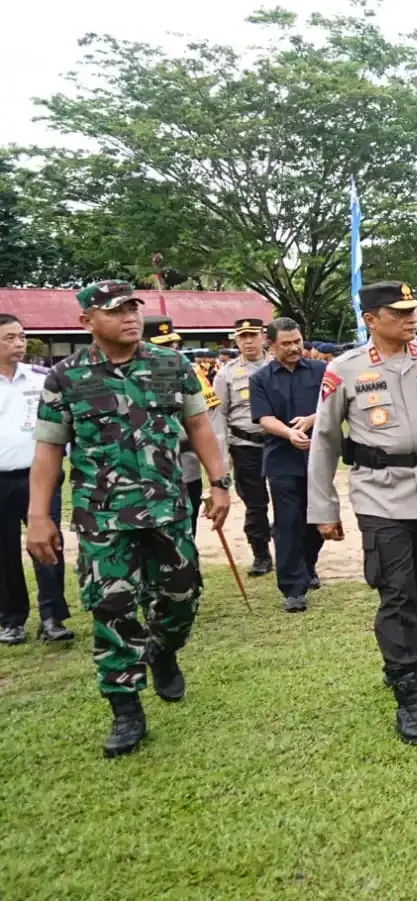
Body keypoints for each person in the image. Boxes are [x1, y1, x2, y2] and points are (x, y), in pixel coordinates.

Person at [26, 280, 232, 757]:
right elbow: (49, 449)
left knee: (181, 597)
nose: (130, 317)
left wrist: (220, 482)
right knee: (112, 607)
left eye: (133, 308)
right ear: (87, 322)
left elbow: (198, 425)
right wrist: (38, 515)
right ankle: (125, 707)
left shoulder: (171, 364)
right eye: (116, 310)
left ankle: (163, 649)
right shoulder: (65, 378)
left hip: (167, 509)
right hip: (104, 518)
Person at [307, 281, 417, 745]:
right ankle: (409, 693)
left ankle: (404, 655)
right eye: (399, 312)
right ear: (371, 320)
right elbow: (325, 440)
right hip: (379, 494)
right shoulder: (344, 370)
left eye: (413, 311)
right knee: (397, 591)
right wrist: (323, 508)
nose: (411, 319)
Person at [0, 314, 71, 645]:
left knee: (49, 543)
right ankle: (11, 619)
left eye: (22, 336)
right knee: (4, 551)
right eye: (9, 338)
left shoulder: (42, 379)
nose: (19, 343)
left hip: (39, 477)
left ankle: (53, 617)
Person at [250, 318, 328, 613]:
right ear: (271, 345)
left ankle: (307, 566)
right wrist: (289, 433)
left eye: (297, 341)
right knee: (287, 522)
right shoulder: (260, 379)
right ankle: (293, 588)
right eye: (287, 344)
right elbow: (264, 418)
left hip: (318, 457)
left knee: (316, 520)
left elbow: (333, 404)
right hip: (281, 458)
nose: (294, 348)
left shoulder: (321, 370)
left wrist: (313, 419)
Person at [144, 317, 221, 536]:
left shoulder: (188, 372)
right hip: (148, 469)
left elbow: (207, 418)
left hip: (186, 461)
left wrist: (217, 475)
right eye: (163, 345)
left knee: (187, 521)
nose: (171, 350)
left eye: (173, 344)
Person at [211, 317, 274, 576]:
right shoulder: (226, 374)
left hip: (279, 444)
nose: (248, 341)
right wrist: (222, 457)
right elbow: (218, 416)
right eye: (242, 337)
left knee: (289, 500)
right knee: (255, 504)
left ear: (263, 337)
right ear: (236, 340)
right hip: (245, 446)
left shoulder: (277, 365)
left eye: (253, 335)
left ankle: (293, 550)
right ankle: (261, 554)